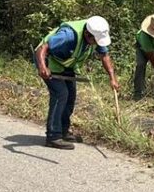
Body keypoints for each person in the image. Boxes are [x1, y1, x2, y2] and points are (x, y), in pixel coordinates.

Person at [34, 16, 120, 150]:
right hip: (48, 63)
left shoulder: (95, 36)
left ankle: (63, 131)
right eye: (95, 41)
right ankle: (53, 136)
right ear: (87, 34)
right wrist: (42, 67)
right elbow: (42, 48)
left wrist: (112, 78)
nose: (96, 44)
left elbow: (104, 56)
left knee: (71, 96)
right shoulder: (68, 36)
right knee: (61, 94)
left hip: (67, 66)